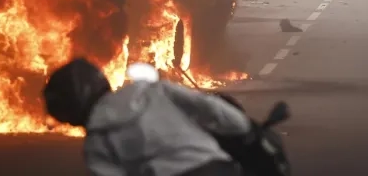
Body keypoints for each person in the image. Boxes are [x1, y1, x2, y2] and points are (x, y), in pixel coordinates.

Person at [43, 58, 251, 176]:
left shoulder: (96, 145)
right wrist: (247, 130)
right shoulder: (152, 91)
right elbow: (210, 108)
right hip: (220, 170)